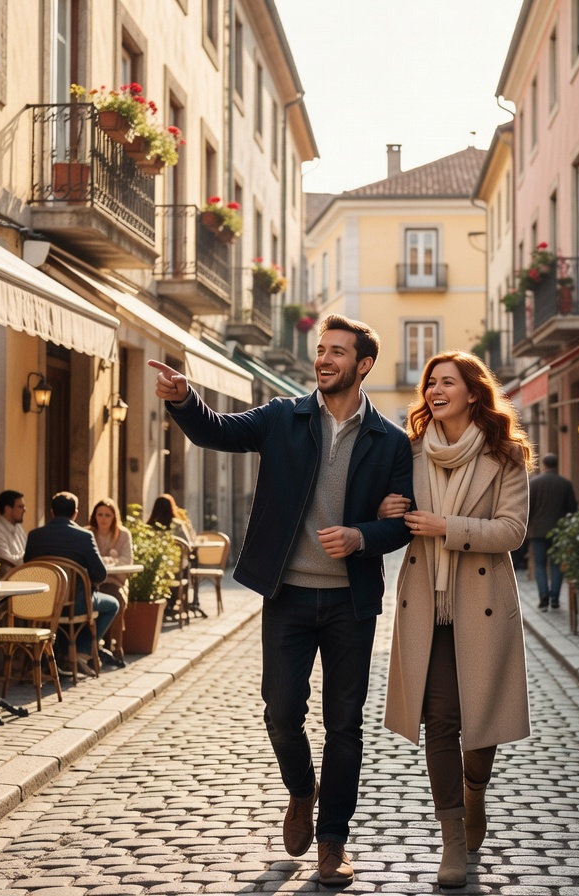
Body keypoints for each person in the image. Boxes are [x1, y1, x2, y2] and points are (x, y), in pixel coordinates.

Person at [150, 313, 414, 887]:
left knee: (345, 724)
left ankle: (333, 843)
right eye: (321, 349)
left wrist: (362, 536)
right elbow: (216, 430)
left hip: (352, 602)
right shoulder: (282, 418)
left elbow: (403, 524)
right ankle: (302, 789)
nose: (323, 359)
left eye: (337, 351)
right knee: (280, 712)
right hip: (288, 595)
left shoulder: (392, 442)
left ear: (363, 365)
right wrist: (184, 399)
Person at [377, 351, 533, 887]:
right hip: (427, 603)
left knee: (481, 724)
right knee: (440, 721)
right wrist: (385, 512)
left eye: (448, 382)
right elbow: (389, 508)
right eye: (431, 383)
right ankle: (451, 843)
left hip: (483, 603)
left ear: (473, 392)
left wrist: (448, 526)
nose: (436, 390)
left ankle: (474, 794)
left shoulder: (505, 456)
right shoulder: (410, 452)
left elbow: (513, 531)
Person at [24, 491, 121, 676]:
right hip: (75, 606)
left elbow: (28, 567)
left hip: (40, 606)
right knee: (113, 604)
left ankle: (53, 655)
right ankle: (80, 653)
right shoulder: (84, 537)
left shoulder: (35, 535)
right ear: (75, 513)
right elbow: (100, 575)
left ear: (52, 512)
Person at [526, 453, 577, 610]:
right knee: (556, 564)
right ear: (557, 464)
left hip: (538, 531)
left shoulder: (534, 483)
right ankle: (555, 597)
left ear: (544, 465)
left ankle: (543, 597)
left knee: (540, 564)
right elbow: (572, 509)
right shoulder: (565, 484)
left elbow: (528, 508)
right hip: (558, 531)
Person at [89, 497, 134, 596]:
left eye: (107, 515)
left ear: (114, 517)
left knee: (116, 596)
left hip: (116, 581)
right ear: (94, 516)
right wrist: (113, 560)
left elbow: (127, 560)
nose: (103, 519)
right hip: (91, 582)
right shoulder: (88, 533)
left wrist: (105, 560)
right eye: (100, 515)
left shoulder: (123, 534)